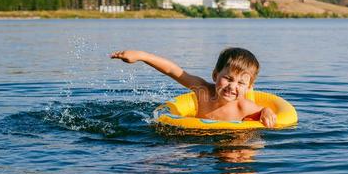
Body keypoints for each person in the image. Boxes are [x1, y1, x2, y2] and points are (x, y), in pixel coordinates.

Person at [110, 47, 277, 127]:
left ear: (248, 88)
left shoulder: (244, 107)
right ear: (215, 75)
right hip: (198, 141)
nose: (232, 87)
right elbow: (173, 70)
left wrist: (266, 111)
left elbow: (265, 110)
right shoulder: (203, 91)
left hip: (233, 142)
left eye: (241, 83)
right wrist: (141, 56)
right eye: (228, 78)